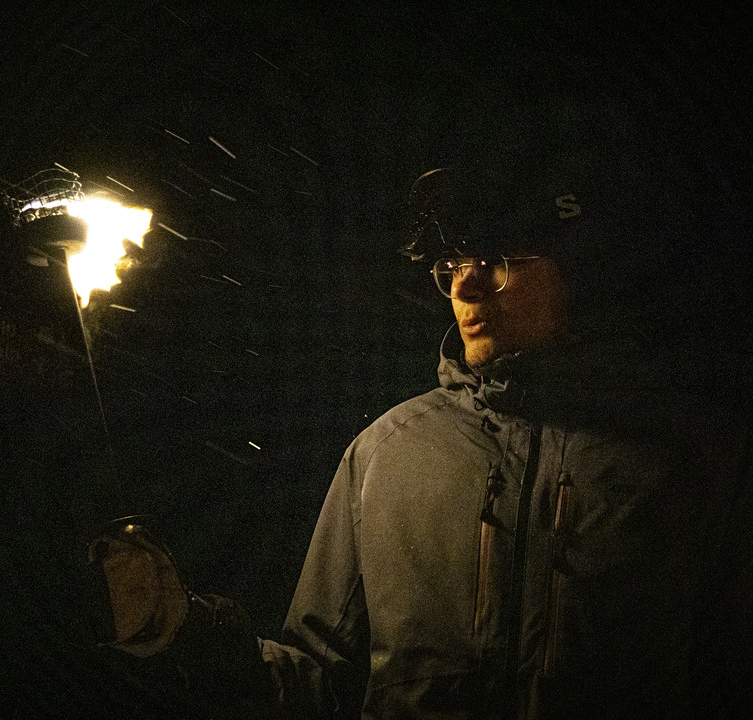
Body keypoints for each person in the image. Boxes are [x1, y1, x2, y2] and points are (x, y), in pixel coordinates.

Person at [95, 161, 753, 720]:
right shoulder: (389, 452)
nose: (466, 285)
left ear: (577, 273)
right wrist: (181, 632)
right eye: (453, 263)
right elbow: (319, 684)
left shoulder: (693, 461)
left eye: (496, 260)